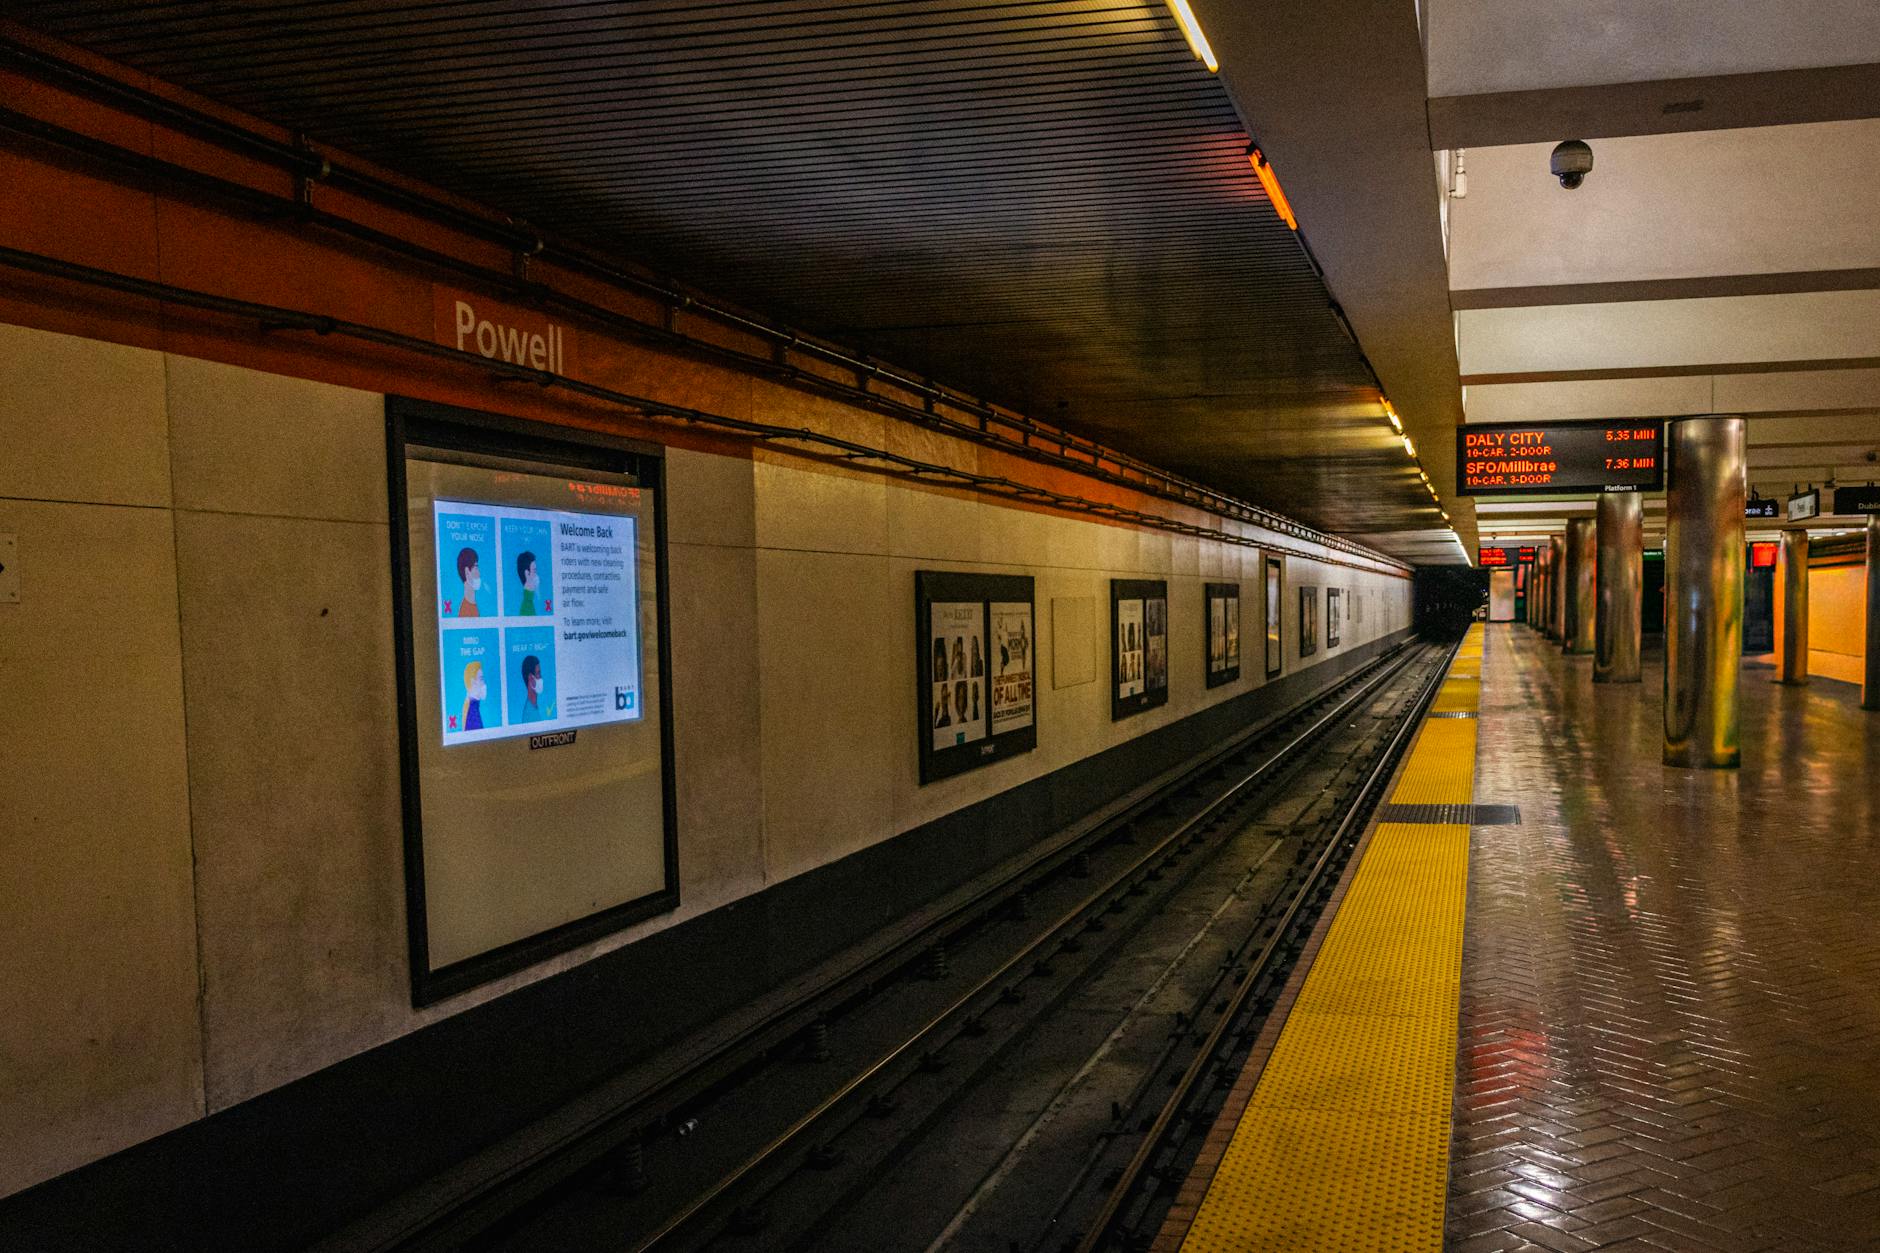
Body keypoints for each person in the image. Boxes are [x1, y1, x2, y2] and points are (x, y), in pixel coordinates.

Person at [455, 546, 482, 617]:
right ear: (467, 572)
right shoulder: (466, 611)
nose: (479, 574)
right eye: (476, 568)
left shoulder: (472, 605)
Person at [461, 660, 487, 731]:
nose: (484, 683)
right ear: (473, 682)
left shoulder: (472, 706)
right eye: (481, 679)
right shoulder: (472, 711)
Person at [516, 551, 540, 616]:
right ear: (527, 573)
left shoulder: (529, 602)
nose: (536, 575)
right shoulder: (527, 607)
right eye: (534, 570)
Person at [520, 654, 543, 718]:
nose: (541, 677)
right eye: (538, 673)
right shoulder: (529, 714)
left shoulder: (535, 707)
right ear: (531, 677)